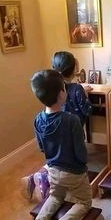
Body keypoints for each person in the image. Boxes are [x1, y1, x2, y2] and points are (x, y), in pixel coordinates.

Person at [24, 70, 92, 220]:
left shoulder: (37, 119)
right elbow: (80, 152)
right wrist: (83, 165)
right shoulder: (72, 120)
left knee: (55, 196)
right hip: (74, 172)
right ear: (62, 93)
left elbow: (40, 147)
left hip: (53, 169)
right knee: (84, 202)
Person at [21, 51, 93, 201]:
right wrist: (84, 95)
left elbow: (42, 147)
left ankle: (35, 176)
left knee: (58, 158)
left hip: (55, 130)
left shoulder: (51, 90)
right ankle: (42, 177)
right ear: (74, 70)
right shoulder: (76, 89)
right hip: (72, 129)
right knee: (69, 158)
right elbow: (87, 110)